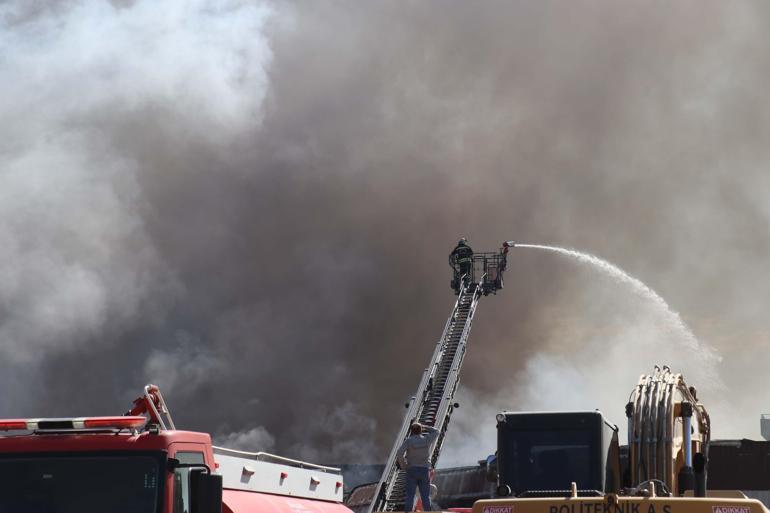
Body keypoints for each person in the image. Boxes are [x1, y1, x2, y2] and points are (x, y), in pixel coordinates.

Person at [397, 422, 440, 512]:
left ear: (411, 431)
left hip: (412, 469)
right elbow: (437, 431)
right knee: (425, 495)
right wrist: (425, 427)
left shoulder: (408, 441)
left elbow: (400, 453)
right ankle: (428, 512)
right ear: (421, 431)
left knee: (410, 495)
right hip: (424, 470)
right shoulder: (427, 439)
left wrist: (404, 466)